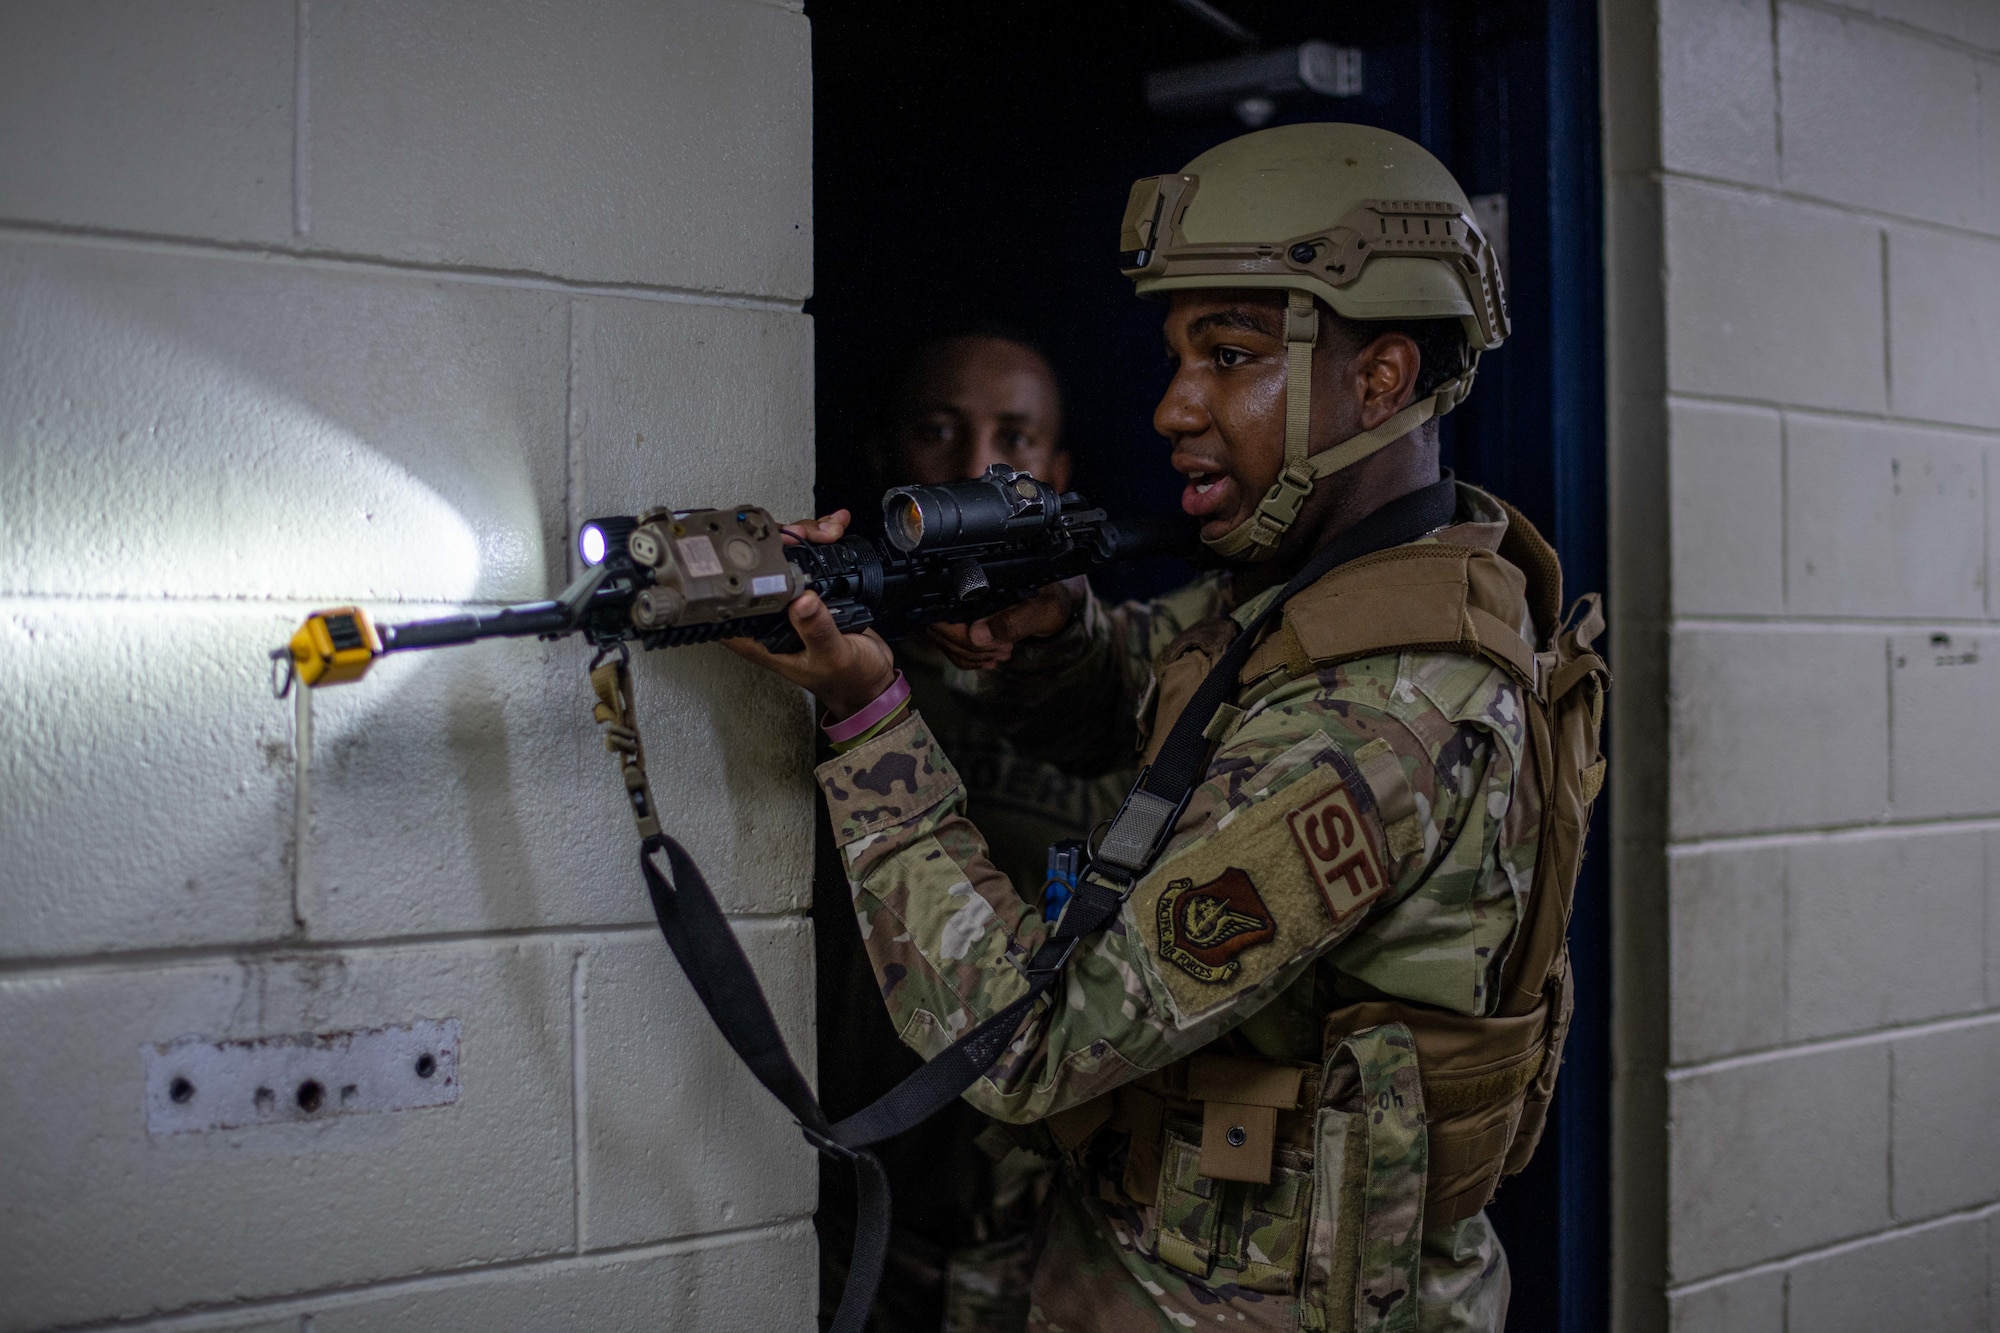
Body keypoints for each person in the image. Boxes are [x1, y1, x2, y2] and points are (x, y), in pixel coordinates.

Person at [733, 122, 1603, 1333]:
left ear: (1382, 377)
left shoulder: (1384, 718)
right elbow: (1166, 696)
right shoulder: (1340, 591)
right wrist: (1051, 633)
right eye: (1176, 354)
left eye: (1230, 354)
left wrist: (868, 722)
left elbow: (1028, 1042)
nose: (1172, 407)